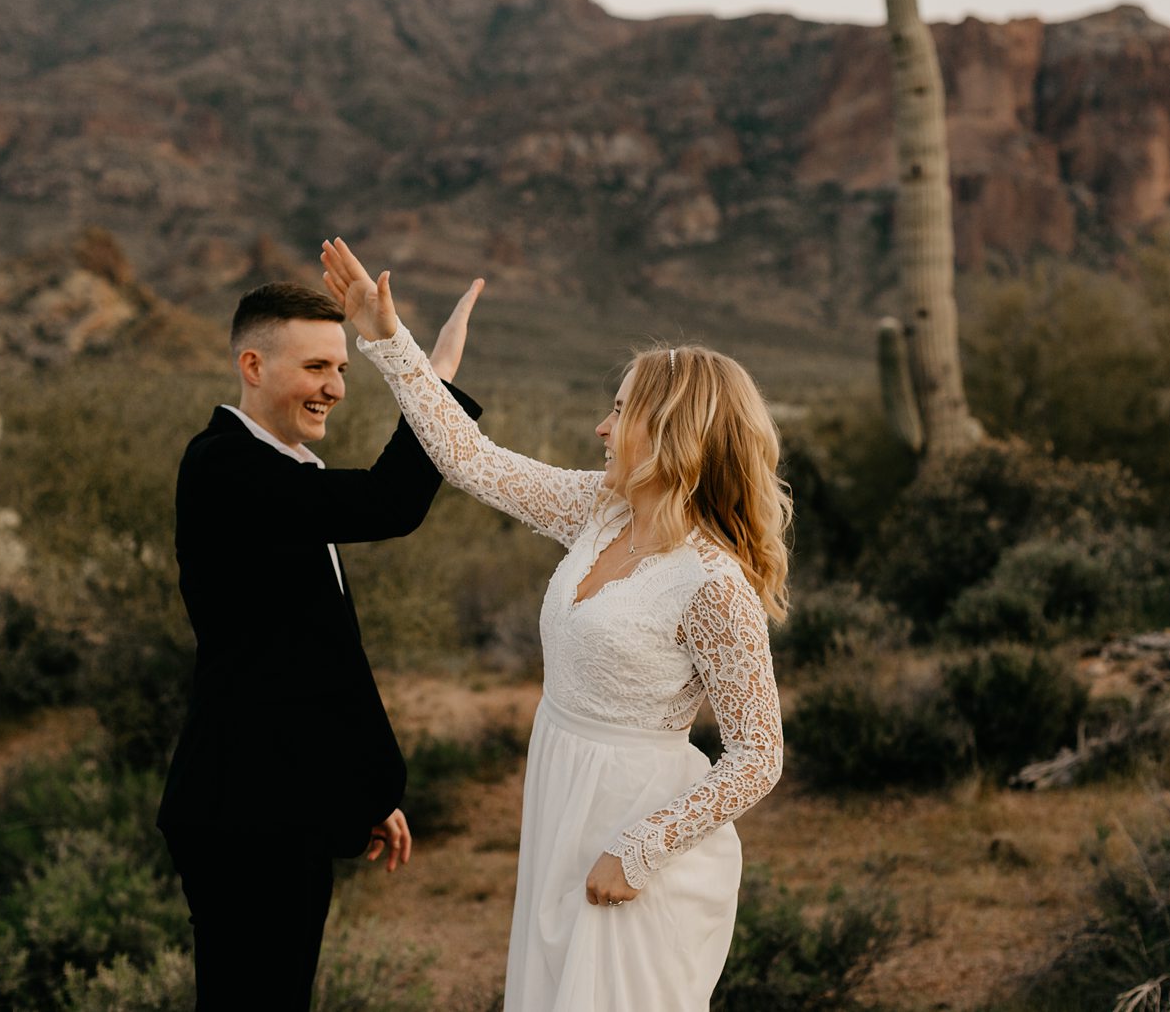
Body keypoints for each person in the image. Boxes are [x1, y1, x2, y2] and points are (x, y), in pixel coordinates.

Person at [321, 239, 788, 1011]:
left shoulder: (715, 584)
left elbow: (759, 753)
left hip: (637, 821)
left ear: (671, 430)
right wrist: (387, 340)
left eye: (619, 410)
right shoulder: (598, 513)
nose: (602, 429)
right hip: (560, 793)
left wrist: (640, 849)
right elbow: (468, 458)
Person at [155, 280, 484, 1009]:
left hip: (278, 799)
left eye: (340, 368)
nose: (334, 387)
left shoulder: (278, 474)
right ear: (252, 365)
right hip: (244, 812)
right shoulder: (223, 467)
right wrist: (426, 374)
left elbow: (311, 659)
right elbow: (389, 502)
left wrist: (363, 785)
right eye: (315, 367)